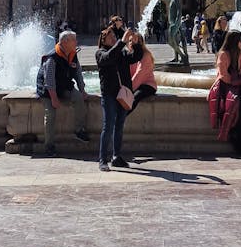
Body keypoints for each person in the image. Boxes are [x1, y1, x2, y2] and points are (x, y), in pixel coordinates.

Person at [95, 18, 142, 171]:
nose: (114, 38)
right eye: (111, 37)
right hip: (109, 94)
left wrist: (135, 43)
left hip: (123, 93)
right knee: (108, 126)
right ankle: (103, 159)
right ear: (104, 40)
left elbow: (135, 57)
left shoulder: (120, 52)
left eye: (115, 37)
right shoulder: (100, 53)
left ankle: (117, 156)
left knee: (119, 125)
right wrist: (121, 42)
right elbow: (109, 57)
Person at [36, 29, 90, 156]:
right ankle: (49, 146)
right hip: (47, 90)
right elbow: (49, 80)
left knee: (78, 98)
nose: (77, 42)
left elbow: (77, 74)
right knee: (50, 114)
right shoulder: (52, 57)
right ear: (65, 42)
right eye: (74, 40)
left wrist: (82, 90)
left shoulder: (72, 53)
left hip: (64, 85)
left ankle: (79, 130)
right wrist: (54, 98)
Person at [208, 29, 241, 154]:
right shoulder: (223, 54)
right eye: (240, 40)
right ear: (234, 41)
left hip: (240, 84)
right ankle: (237, 135)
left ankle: (240, 129)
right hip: (226, 86)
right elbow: (223, 75)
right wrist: (237, 81)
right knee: (238, 103)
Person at [130, 31, 157, 112]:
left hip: (148, 85)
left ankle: (121, 117)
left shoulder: (146, 55)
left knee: (135, 97)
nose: (131, 43)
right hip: (136, 85)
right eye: (130, 40)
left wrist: (129, 89)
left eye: (134, 40)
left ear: (140, 42)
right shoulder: (130, 55)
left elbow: (139, 74)